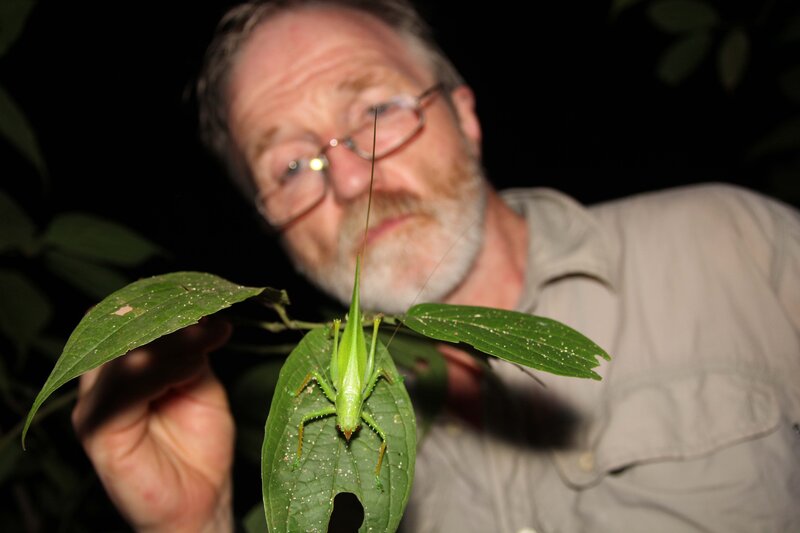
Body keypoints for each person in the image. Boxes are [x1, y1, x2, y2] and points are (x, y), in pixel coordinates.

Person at [71, 0, 800, 531]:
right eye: (292, 165)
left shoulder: (730, 244)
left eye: (375, 113)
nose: (349, 180)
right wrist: (192, 526)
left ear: (465, 114)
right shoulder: (313, 459)